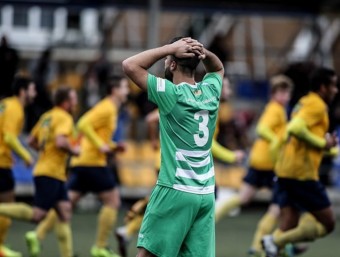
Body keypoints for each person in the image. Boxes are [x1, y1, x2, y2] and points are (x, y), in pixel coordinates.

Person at [122, 36, 224, 257]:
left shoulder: (170, 94)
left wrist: (170, 48)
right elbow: (217, 68)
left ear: (173, 64)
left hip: (175, 190)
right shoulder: (211, 92)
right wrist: (202, 51)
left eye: (168, 59)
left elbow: (129, 65)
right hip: (205, 194)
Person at [27, 76, 129, 257]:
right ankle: (100, 246)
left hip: (82, 161)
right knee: (113, 201)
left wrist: (112, 146)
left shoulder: (111, 108)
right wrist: (100, 145)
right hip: (92, 162)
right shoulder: (107, 107)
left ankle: (37, 234)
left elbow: (96, 134)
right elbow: (83, 124)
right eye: (124, 87)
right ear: (114, 90)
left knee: (64, 205)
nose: (128, 90)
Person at [262, 67, 338, 257]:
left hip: (285, 171)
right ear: (323, 87)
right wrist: (323, 142)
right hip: (301, 175)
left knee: (289, 224)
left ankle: (268, 249)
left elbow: (296, 136)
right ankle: (274, 241)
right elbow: (295, 128)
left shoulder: (303, 102)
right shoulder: (317, 105)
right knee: (328, 223)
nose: (336, 90)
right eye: (333, 85)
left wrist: (329, 148)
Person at [214, 75, 294, 255]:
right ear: (274, 94)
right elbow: (262, 129)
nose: (286, 96)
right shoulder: (276, 110)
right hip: (269, 163)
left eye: (287, 92)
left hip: (259, 161)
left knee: (243, 198)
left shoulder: (274, 108)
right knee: (279, 207)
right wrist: (277, 142)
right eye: (282, 92)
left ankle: (213, 218)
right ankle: (263, 245)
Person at [0, 87, 79, 257]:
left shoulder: (47, 116)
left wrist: (44, 151)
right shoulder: (65, 117)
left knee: (64, 211)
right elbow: (60, 141)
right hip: (50, 173)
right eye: (73, 99)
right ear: (66, 103)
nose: (76, 102)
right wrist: (74, 151)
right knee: (37, 215)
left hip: (52, 172)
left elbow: (31, 140)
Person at [0, 76, 36, 257]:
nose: (34, 94)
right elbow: (8, 137)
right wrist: (26, 156)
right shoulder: (16, 109)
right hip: (1, 164)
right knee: (7, 206)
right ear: (23, 92)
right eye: (32, 90)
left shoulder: (4, 104)